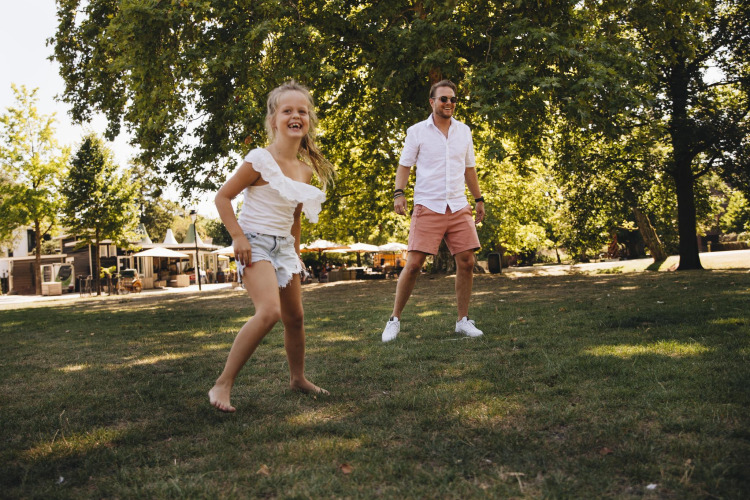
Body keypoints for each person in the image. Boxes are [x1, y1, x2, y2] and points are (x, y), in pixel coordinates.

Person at [209, 81, 335, 412]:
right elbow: (222, 197)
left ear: (309, 120)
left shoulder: (305, 171)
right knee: (270, 312)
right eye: (287, 110)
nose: (296, 116)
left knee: (295, 317)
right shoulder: (259, 160)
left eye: (302, 111)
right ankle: (222, 384)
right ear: (274, 119)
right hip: (255, 243)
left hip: (284, 248)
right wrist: (237, 236)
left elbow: (294, 218)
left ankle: (297, 379)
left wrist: (297, 253)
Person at [381, 79, 486, 342]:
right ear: (432, 102)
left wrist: (479, 199)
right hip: (428, 205)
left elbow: (469, 168)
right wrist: (399, 193)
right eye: (443, 99)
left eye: (453, 99)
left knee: (467, 261)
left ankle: (463, 321)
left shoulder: (464, 131)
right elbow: (404, 166)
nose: (449, 103)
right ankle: (394, 320)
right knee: (414, 264)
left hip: (459, 205)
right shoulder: (417, 131)